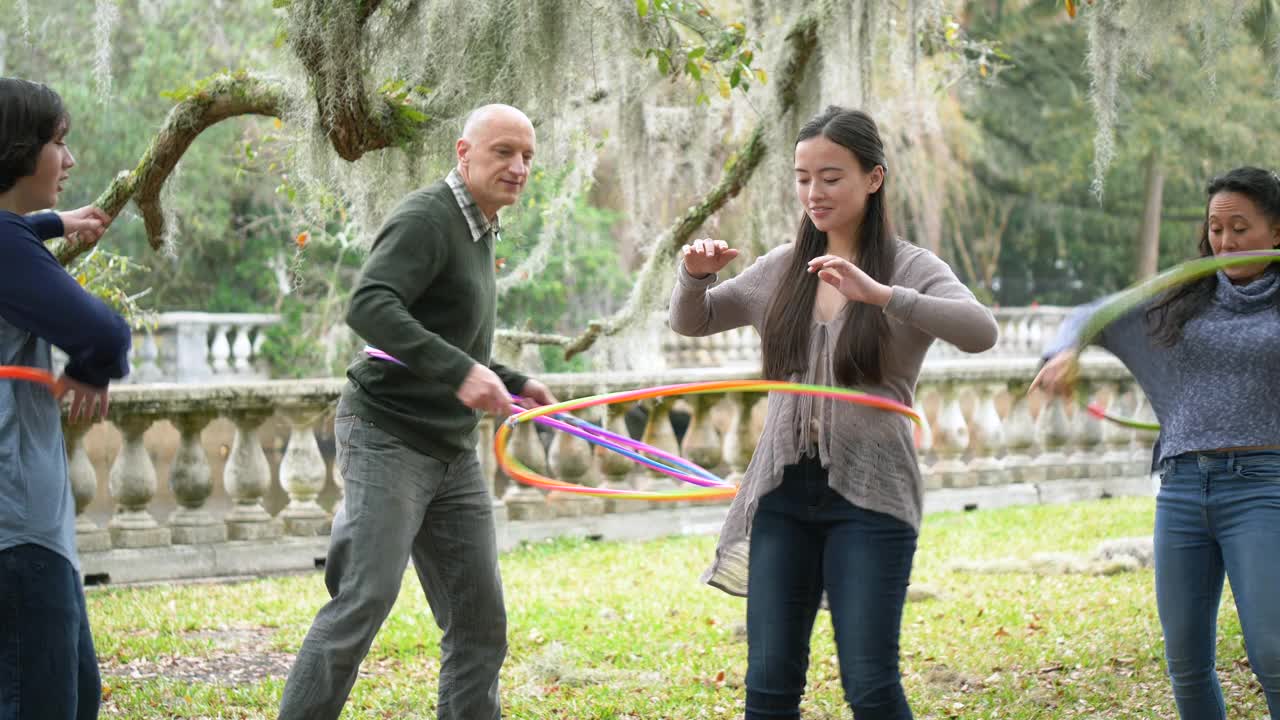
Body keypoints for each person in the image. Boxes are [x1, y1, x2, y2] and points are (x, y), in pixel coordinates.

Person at [669, 105, 998, 720]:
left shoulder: (912, 267)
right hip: (782, 496)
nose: (813, 193)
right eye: (802, 177)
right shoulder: (780, 270)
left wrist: (882, 295)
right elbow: (694, 321)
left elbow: (981, 331)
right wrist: (692, 276)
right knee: (768, 686)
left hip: (872, 498)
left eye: (831, 176)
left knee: (870, 684)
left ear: (874, 178)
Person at [278, 104, 557, 720]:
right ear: (463, 153)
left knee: (479, 623)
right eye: (503, 152)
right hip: (387, 434)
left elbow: (449, 338)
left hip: (451, 451)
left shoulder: (482, 228)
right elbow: (371, 306)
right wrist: (462, 372)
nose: (517, 167)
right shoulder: (429, 217)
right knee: (362, 601)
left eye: (527, 157)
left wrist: (513, 380)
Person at [1033, 166, 1280, 720]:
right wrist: (1063, 354)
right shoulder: (1181, 297)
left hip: (1265, 489)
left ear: (1277, 233)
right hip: (1183, 490)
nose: (1225, 241)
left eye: (1240, 227)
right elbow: (1088, 315)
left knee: (1273, 653)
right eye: (1216, 228)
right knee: (1186, 662)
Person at [0, 77, 131, 720]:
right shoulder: (4, 244)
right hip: (15, 531)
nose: (70, 161)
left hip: (29, 529)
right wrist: (92, 366)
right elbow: (104, 332)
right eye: (59, 142)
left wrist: (49, 222)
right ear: (17, 149)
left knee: (75, 697)